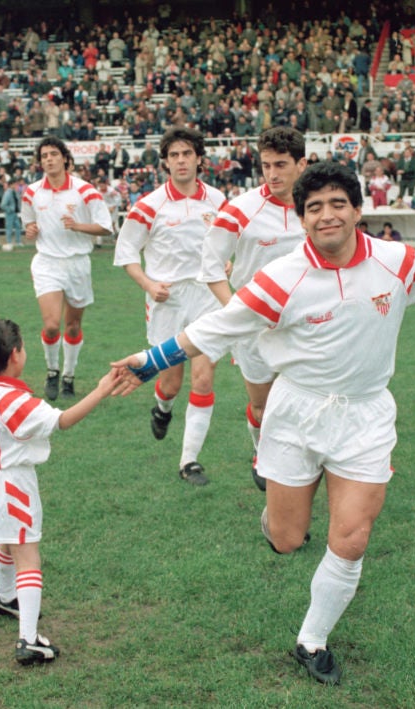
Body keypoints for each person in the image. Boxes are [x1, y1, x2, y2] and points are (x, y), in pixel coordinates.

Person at [112, 161, 415, 685]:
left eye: (337, 204)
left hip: (366, 415)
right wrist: (147, 362)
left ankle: (311, 640)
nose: (326, 215)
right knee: (288, 538)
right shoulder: (281, 278)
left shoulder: (397, 261)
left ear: (357, 210)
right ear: (302, 220)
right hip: (295, 414)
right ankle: (275, 520)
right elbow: (215, 327)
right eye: (313, 208)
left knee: (352, 537)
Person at [0, 318, 120, 666]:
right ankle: (29, 639)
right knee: (28, 555)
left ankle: (6, 597)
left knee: (9, 542)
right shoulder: (14, 400)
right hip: (11, 483)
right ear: (15, 355)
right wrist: (100, 391)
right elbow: (61, 420)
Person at [114, 127, 228, 486]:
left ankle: (189, 461)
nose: (181, 160)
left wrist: (228, 264)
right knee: (171, 383)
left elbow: (231, 241)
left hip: (207, 296)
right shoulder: (149, 206)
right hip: (168, 300)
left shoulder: (218, 200)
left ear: (199, 158)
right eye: (174, 155)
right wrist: (148, 284)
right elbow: (127, 252)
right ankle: (162, 408)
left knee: (204, 375)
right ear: (165, 162)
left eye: (187, 153)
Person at [197, 126, 307, 490]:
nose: (272, 174)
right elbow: (211, 266)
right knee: (263, 405)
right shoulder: (242, 208)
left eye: (281, 165)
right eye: (266, 165)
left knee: (302, 402)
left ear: (301, 165)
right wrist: (239, 313)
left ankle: (301, 462)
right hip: (255, 328)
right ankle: (262, 451)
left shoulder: (318, 206)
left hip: (308, 324)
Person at [20, 137, 113, 400]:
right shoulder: (31, 192)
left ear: (65, 159)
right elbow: (28, 226)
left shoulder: (85, 191)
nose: (48, 159)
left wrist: (78, 226)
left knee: (72, 326)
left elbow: (106, 227)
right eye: (44, 156)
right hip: (47, 262)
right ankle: (52, 371)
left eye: (53, 154)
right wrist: (30, 230)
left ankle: (69, 376)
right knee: (51, 325)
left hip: (77, 264)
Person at [0, 177, 22, 248]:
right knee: (9, 227)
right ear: (11, 184)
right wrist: (10, 209)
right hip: (10, 213)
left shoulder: (15, 192)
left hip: (15, 213)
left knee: (18, 226)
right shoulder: (7, 193)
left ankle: (18, 241)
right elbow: (3, 205)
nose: (16, 185)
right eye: (15, 184)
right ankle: (9, 242)